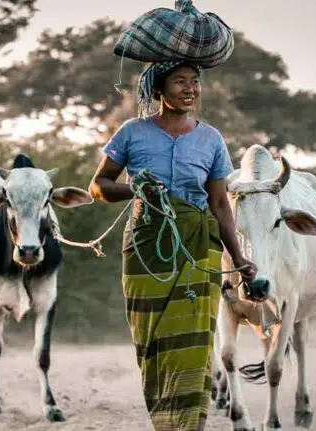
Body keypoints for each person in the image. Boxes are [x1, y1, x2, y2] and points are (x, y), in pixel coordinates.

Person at [88, 60, 257, 431]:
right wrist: (136, 188)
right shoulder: (132, 133)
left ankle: (188, 425)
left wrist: (240, 257)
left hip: (198, 247)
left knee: (195, 344)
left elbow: (219, 204)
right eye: (179, 81)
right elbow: (98, 186)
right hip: (147, 247)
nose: (190, 89)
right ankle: (165, 421)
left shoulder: (211, 139)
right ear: (157, 90)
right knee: (152, 342)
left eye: (195, 82)